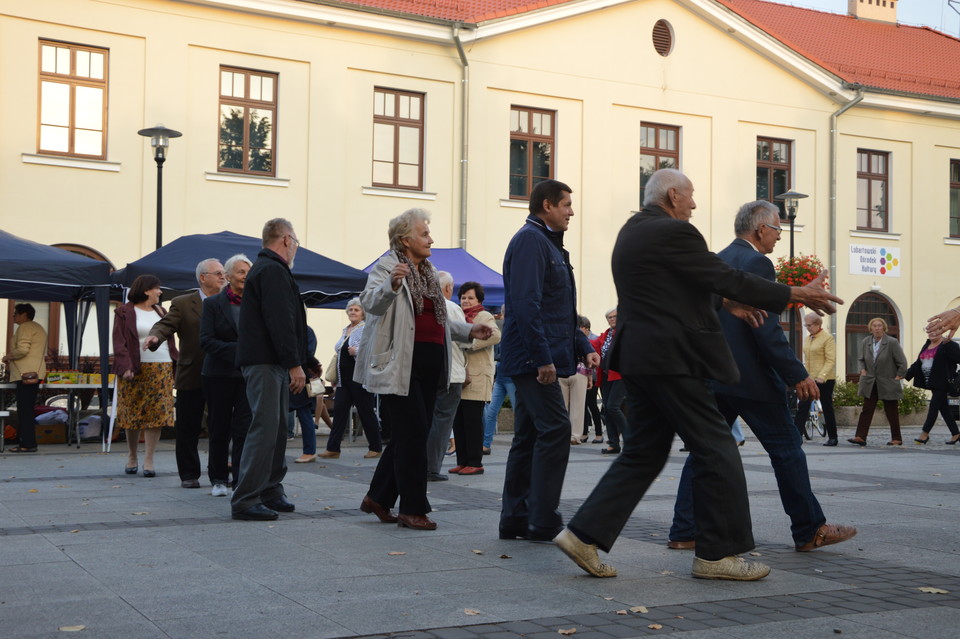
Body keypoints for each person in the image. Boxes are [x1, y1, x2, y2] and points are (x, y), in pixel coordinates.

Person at [553, 169, 842, 582]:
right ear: (673, 195)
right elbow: (721, 275)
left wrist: (727, 304)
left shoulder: (634, 230)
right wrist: (796, 293)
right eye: (689, 197)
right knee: (718, 448)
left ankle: (583, 535)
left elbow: (676, 286)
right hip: (673, 358)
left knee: (643, 454)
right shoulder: (675, 233)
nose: (693, 205)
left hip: (639, 357)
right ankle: (718, 554)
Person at [666, 200, 855, 556]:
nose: (779, 238)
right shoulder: (758, 262)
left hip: (713, 377)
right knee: (787, 451)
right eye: (777, 230)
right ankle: (809, 529)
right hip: (751, 380)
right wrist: (797, 374)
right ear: (759, 229)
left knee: (704, 452)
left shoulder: (719, 258)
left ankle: (684, 530)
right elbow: (765, 328)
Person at [355, 208, 490, 531]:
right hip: (400, 365)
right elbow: (369, 303)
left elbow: (438, 324)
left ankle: (378, 497)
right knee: (415, 434)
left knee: (409, 434)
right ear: (405, 239)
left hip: (431, 365)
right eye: (424, 234)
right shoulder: (389, 266)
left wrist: (468, 331)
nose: (431, 239)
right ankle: (412, 509)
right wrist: (391, 284)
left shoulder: (430, 272)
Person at [499, 179, 600, 542]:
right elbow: (527, 306)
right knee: (556, 430)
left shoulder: (548, 244)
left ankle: (516, 518)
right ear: (546, 205)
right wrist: (542, 358)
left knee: (528, 435)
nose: (572, 211)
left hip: (538, 355)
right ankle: (542, 519)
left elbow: (559, 309)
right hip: (532, 359)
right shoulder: (531, 241)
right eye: (566, 205)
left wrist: (581, 343)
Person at [231, 218, 306, 521]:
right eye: (296, 241)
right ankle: (247, 498)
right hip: (266, 361)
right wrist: (295, 363)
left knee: (275, 429)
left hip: (270, 360)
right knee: (265, 428)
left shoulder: (268, 269)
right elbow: (280, 321)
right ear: (286, 239)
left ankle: (270, 489)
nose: (296, 247)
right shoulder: (272, 270)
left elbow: (284, 321)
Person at [144, 258, 226, 488]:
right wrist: (154, 337)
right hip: (193, 373)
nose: (223, 277)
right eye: (218, 273)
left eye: (224, 273)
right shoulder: (182, 303)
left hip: (223, 373)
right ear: (203, 277)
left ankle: (220, 473)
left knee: (220, 426)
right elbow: (165, 325)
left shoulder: (230, 302)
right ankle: (189, 474)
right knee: (188, 427)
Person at [113, 275, 178, 477]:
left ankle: (149, 459)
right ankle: (132, 455)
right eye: (157, 288)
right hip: (135, 368)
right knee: (132, 414)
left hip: (162, 367)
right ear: (146, 290)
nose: (160, 292)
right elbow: (119, 342)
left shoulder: (161, 311)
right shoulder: (124, 311)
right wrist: (125, 367)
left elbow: (169, 340)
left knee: (156, 415)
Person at [200, 253, 252, 496]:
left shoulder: (256, 304)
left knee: (244, 428)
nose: (246, 276)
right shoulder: (212, 304)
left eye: (248, 272)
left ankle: (240, 478)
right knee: (219, 428)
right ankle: (218, 479)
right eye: (241, 272)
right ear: (228, 276)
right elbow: (206, 341)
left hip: (248, 376)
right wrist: (239, 351)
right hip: (219, 374)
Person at [319, 298, 382, 459]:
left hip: (359, 378)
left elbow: (372, 349)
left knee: (366, 412)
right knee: (339, 412)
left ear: (363, 313)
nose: (353, 312)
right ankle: (333, 448)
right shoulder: (345, 329)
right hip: (343, 380)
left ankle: (375, 447)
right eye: (351, 310)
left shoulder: (365, 328)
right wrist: (336, 377)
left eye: (356, 310)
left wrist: (357, 351)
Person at [449, 281, 501, 475]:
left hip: (478, 376)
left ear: (479, 299)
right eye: (463, 297)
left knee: (472, 420)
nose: (466, 301)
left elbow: (495, 336)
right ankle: (462, 460)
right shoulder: (458, 316)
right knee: (459, 421)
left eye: (470, 298)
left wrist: (469, 344)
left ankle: (475, 462)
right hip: (459, 376)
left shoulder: (484, 316)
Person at [425, 272, 466, 482]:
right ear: (448, 288)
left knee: (429, 418)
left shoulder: (424, 305)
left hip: (430, 371)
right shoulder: (451, 307)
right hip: (453, 372)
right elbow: (465, 340)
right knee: (443, 421)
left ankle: (422, 464)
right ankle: (432, 467)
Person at [848, 318, 908, 446]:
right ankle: (860, 437)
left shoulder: (892, 342)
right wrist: (862, 370)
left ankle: (896, 438)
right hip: (870, 381)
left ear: (884, 328)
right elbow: (861, 359)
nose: (877, 328)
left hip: (888, 380)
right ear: (870, 328)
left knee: (891, 410)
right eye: (874, 326)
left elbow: (902, 362)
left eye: (879, 326)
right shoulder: (866, 342)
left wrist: (898, 376)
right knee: (867, 408)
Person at [3, 303, 48, 453]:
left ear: (24, 315)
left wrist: (8, 356)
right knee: (27, 409)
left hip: (26, 374)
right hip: (35, 372)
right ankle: (26, 441)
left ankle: (27, 443)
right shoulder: (38, 327)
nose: (13, 316)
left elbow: (23, 349)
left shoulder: (25, 327)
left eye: (15, 313)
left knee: (24, 410)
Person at [906, 327, 960, 444]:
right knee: (944, 409)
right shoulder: (927, 345)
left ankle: (924, 434)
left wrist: (948, 344)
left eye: (935, 330)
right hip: (931, 381)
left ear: (942, 332)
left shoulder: (947, 344)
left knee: (933, 407)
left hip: (943, 381)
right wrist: (906, 374)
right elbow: (918, 363)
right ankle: (956, 434)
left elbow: (958, 357)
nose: (932, 333)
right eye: (930, 331)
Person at [793, 313, 839, 446]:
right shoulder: (809, 339)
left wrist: (822, 376)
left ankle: (833, 437)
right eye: (805, 325)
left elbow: (830, 360)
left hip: (824, 379)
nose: (807, 328)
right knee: (803, 405)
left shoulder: (827, 338)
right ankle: (797, 436)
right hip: (810, 378)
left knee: (826, 406)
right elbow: (807, 359)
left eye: (809, 325)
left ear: (818, 324)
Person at [482, 306, 516, 455]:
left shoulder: (512, 330)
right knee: (491, 412)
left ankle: (521, 443)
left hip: (508, 375)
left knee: (515, 411)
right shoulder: (502, 330)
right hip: (502, 376)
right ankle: (486, 444)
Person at [593, 309, 625, 455]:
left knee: (613, 406)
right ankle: (613, 444)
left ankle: (631, 439)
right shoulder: (606, 335)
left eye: (614, 317)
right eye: (609, 317)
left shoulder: (626, 332)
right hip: (606, 376)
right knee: (607, 408)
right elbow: (593, 345)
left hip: (620, 375)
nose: (611, 319)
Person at [290, 326, 321, 463]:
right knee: (305, 410)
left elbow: (308, 353)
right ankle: (309, 450)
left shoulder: (305, 330)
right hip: (304, 373)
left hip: (302, 374)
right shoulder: (304, 330)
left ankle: (310, 451)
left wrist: (313, 365)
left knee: (305, 411)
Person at [579, 315, 604, 444]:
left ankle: (599, 433)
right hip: (580, 375)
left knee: (592, 404)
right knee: (582, 405)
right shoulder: (578, 339)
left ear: (586, 328)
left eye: (580, 328)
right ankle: (584, 432)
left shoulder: (595, 339)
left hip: (592, 377)